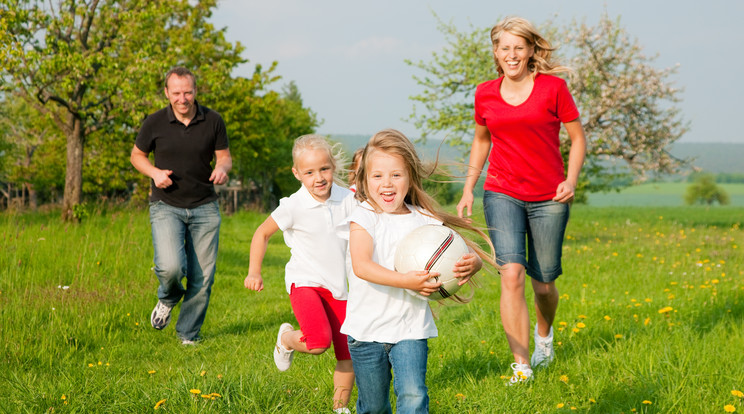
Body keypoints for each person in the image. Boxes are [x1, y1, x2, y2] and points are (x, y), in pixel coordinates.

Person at [456, 16, 587, 384]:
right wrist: (469, 187)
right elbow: (482, 140)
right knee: (511, 273)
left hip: (549, 196)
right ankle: (522, 365)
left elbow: (577, 139)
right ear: (495, 52)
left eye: (519, 47)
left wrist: (570, 179)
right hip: (501, 191)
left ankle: (544, 336)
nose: (511, 55)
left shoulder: (553, 88)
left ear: (530, 50)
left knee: (543, 284)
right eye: (504, 48)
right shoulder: (484, 92)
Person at [344, 129, 496, 414]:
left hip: (410, 329)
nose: (386, 184)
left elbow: (459, 247)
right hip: (366, 330)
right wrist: (406, 281)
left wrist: (473, 262)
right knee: (374, 407)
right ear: (364, 179)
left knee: (414, 396)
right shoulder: (363, 215)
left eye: (396, 175)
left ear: (410, 177)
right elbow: (361, 265)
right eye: (377, 176)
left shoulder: (423, 219)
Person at [244, 135, 356, 414]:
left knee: (348, 355)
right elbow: (262, 233)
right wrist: (254, 271)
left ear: (333, 167)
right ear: (297, 174)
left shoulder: (348, 199)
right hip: (304, 281)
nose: (318, 177)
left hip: (339, 287)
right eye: (309, 172)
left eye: (324, 169)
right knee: (318, 342)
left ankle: (339, 409)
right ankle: (286, 339)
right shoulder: (293, 205)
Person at [130, 66, 232, 345]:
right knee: (171, 268)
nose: (182, 98)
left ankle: (188, 334)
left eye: (187, 92)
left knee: (202, 278)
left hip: (204, 207)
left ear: (195, 91)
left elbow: (224, 156)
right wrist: (154, 173)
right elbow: (137, 156)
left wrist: (222, 169)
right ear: (167, 93)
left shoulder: (213, 120)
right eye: (176, 93)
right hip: (166, 205)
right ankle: (170, 295)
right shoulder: (154, 123)